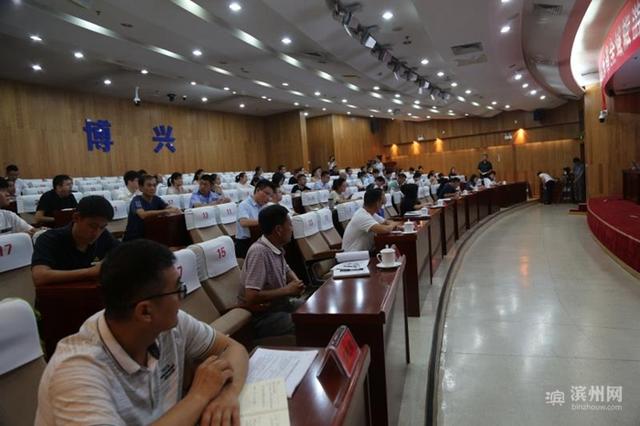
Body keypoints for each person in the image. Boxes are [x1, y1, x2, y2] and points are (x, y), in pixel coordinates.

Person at [35, 239, 248, 425]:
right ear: (145, 311)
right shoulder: (76, 373)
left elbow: (231, 348)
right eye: (178, 290)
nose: (181, 299)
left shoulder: (170, 323)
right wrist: (199, 396)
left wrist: (228, 393)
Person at [241, 205, 305, 339]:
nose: (292, 229)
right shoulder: (259, 252)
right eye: (290, 225)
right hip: (264, 315)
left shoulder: (276, 247)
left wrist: (297, 283)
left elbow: (286, 269)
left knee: (315, 310)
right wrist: (287, 290)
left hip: (282, 305)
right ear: (279, 230)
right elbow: (251, 296)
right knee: (307, 322)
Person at [31, 196, 118, 286]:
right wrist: (91, 272)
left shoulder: (104, 235)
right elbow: (39, 277)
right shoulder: (49, 239)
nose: (97, 233)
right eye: (92, 226)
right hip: (61, 293)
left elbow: (122, 254)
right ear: (76, 218)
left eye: (102, 227)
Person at [123, 175, 180, 241]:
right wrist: (165, 211)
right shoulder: (136, 200)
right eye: (149, 185)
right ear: (141, 188)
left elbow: (169, 208)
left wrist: (174, 210)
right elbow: (143, 215)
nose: (152, 188)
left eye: (154, 185)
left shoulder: (156, 199)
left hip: (150, 236)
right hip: (134, 239)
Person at [235, 180, 275, 258]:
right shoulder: (244, 204)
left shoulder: (264, 206)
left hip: (260, 240)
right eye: (267, 194)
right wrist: (266, 221)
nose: (269, 198)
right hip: (245, 244)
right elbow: (243, 222)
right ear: (257, 190)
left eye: (270, 196)